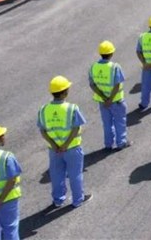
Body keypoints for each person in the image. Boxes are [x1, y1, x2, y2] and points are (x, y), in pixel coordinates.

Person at [38, 76, 91, 208]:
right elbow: (76, 128)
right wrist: (65, 145)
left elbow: (43, 131)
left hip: (54, 150)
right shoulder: (72, 108)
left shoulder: (43, 109)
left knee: (56, 175)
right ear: (64, 93)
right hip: (72, 148)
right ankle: (78, 199)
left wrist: (55, 145)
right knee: (75, 175)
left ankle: (58, 200)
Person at [88, 41, 130, 151]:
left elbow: (92, 85)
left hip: (103, 102)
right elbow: (117, 85)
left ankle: (108, 144)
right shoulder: (115, 67)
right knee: (119, 122)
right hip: (116, 100)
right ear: (111, 54)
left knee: (107, 124)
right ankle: (121, 142)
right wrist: (110, 99)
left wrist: (104, 98)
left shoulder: (93, 67)